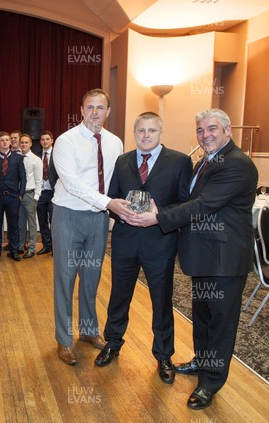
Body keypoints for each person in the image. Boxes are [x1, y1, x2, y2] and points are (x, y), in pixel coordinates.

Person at [128, 108, 258, 410]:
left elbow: (203, 205)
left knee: (221, 324)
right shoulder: (206, 161)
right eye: (200, 130)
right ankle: (202, 361)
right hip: (203, 256)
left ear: (227, 130)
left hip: (224, 261)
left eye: (211, 129)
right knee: (203, 318)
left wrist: (157, 218)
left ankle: (211, 382)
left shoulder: (237, 164)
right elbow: (190, 201)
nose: (205, 135)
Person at [93, 112, 192, 386]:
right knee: (118, 296)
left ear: (160, 132)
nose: (146, 135)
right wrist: (120, 211)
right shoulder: (123, 160)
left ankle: (163, 355)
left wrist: (159, 215)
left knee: (161, 301)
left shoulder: (181, 161)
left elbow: (185, 204)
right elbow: (112, 197)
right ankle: (113, 342)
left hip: (160, 242)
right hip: (125, 240)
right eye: (141, 131)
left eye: (151, 130)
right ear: (134, 133)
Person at [53, 88, 127, 366]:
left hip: (98, 218)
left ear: (108, 112)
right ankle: (63, 338)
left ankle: (88, 331)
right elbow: (72, 183)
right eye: (90, 107)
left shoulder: (115, 143)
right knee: (65, 279)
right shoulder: (66, 141)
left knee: (92, 278)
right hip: (69, 215)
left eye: (100, 107)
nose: (95, 112)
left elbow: (115, 181)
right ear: (82, 110)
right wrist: (109, 203)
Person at [0, 132, 26, 261]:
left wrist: (20, 194)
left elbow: (23, 178)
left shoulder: (18, 158)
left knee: (13, 225)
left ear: (10, 142)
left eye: (6, 140)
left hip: (13, 197)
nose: (4, 142)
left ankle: (14, 250)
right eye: (1, 140)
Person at [18, 134, 42, 259]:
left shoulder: (36, 160)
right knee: (20, 222)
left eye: (26, 142)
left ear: (31, 144)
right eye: (21, 142)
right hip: (18, 195)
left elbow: (39, 180)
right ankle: (21, 245)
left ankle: (32, 247)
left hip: (29, 194)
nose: (23, 145)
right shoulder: (16, 157)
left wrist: (36, 196)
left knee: (32, 223)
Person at [36, 131, 55, 255]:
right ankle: (46, 245)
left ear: (52, 140)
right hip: (41, 192)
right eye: (42, 139)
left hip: (54, 193)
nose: (45, 141)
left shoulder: (58, 154)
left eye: (47, 139)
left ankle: (55, 247)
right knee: (42, 221)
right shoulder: (36, 155)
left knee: (54, 221)